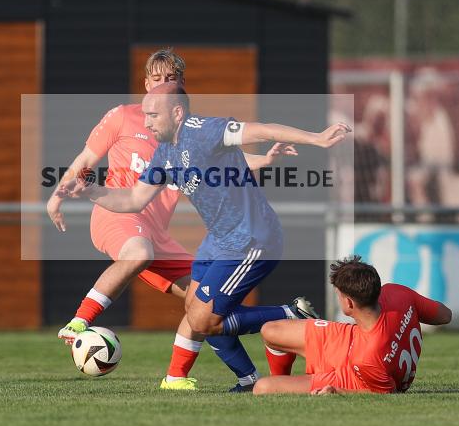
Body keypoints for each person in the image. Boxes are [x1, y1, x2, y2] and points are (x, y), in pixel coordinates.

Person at [57, 83, 351, 391]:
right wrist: (91, 191)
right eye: (144, 115)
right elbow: (133, 200)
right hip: (219, 240)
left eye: (153, 115)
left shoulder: (204, 130)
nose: (146, 123)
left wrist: (315, 139)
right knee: (196, 311)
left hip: (252, 238)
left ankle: (288, 315)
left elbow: (261, 130)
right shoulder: (165, 152)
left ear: (178, 112)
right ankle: (246, 379)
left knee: (202, 320)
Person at [253, 255, 452, 395]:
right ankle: (281, 383)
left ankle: (280, 387)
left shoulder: (367, 358)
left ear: (349, 303)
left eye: (339, 294)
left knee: (262, 388)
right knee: (270, 330)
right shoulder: (397, 293)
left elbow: (388, 394)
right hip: (352, 337)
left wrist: (338, 391)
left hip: (352, 377)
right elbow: (444, 316)